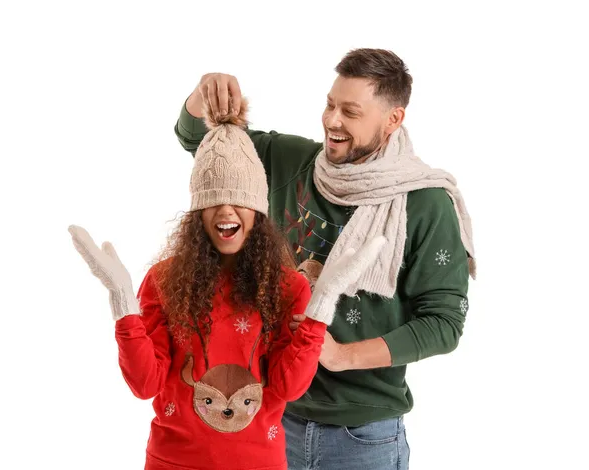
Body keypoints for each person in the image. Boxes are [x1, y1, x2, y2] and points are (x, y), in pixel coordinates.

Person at [174, 48, 476, 470]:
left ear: (393, 120)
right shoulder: (288, 162)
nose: (332, 120)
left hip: (364, 436)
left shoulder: (425, 203)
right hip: (269, 418)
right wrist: (203, 92)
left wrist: (341, 356)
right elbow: (197, 138)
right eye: (330, 105)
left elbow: (444, 323)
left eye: (350, 111)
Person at [68, 101, 387, 470]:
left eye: (239, 199)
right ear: (197, 211)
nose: (226, 211)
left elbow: (289, 387)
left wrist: (322, 304)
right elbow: (145, 384)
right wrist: (123, 301)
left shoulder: (287, 287)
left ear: (258, 210)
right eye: (213, 199)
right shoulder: (163, 280)